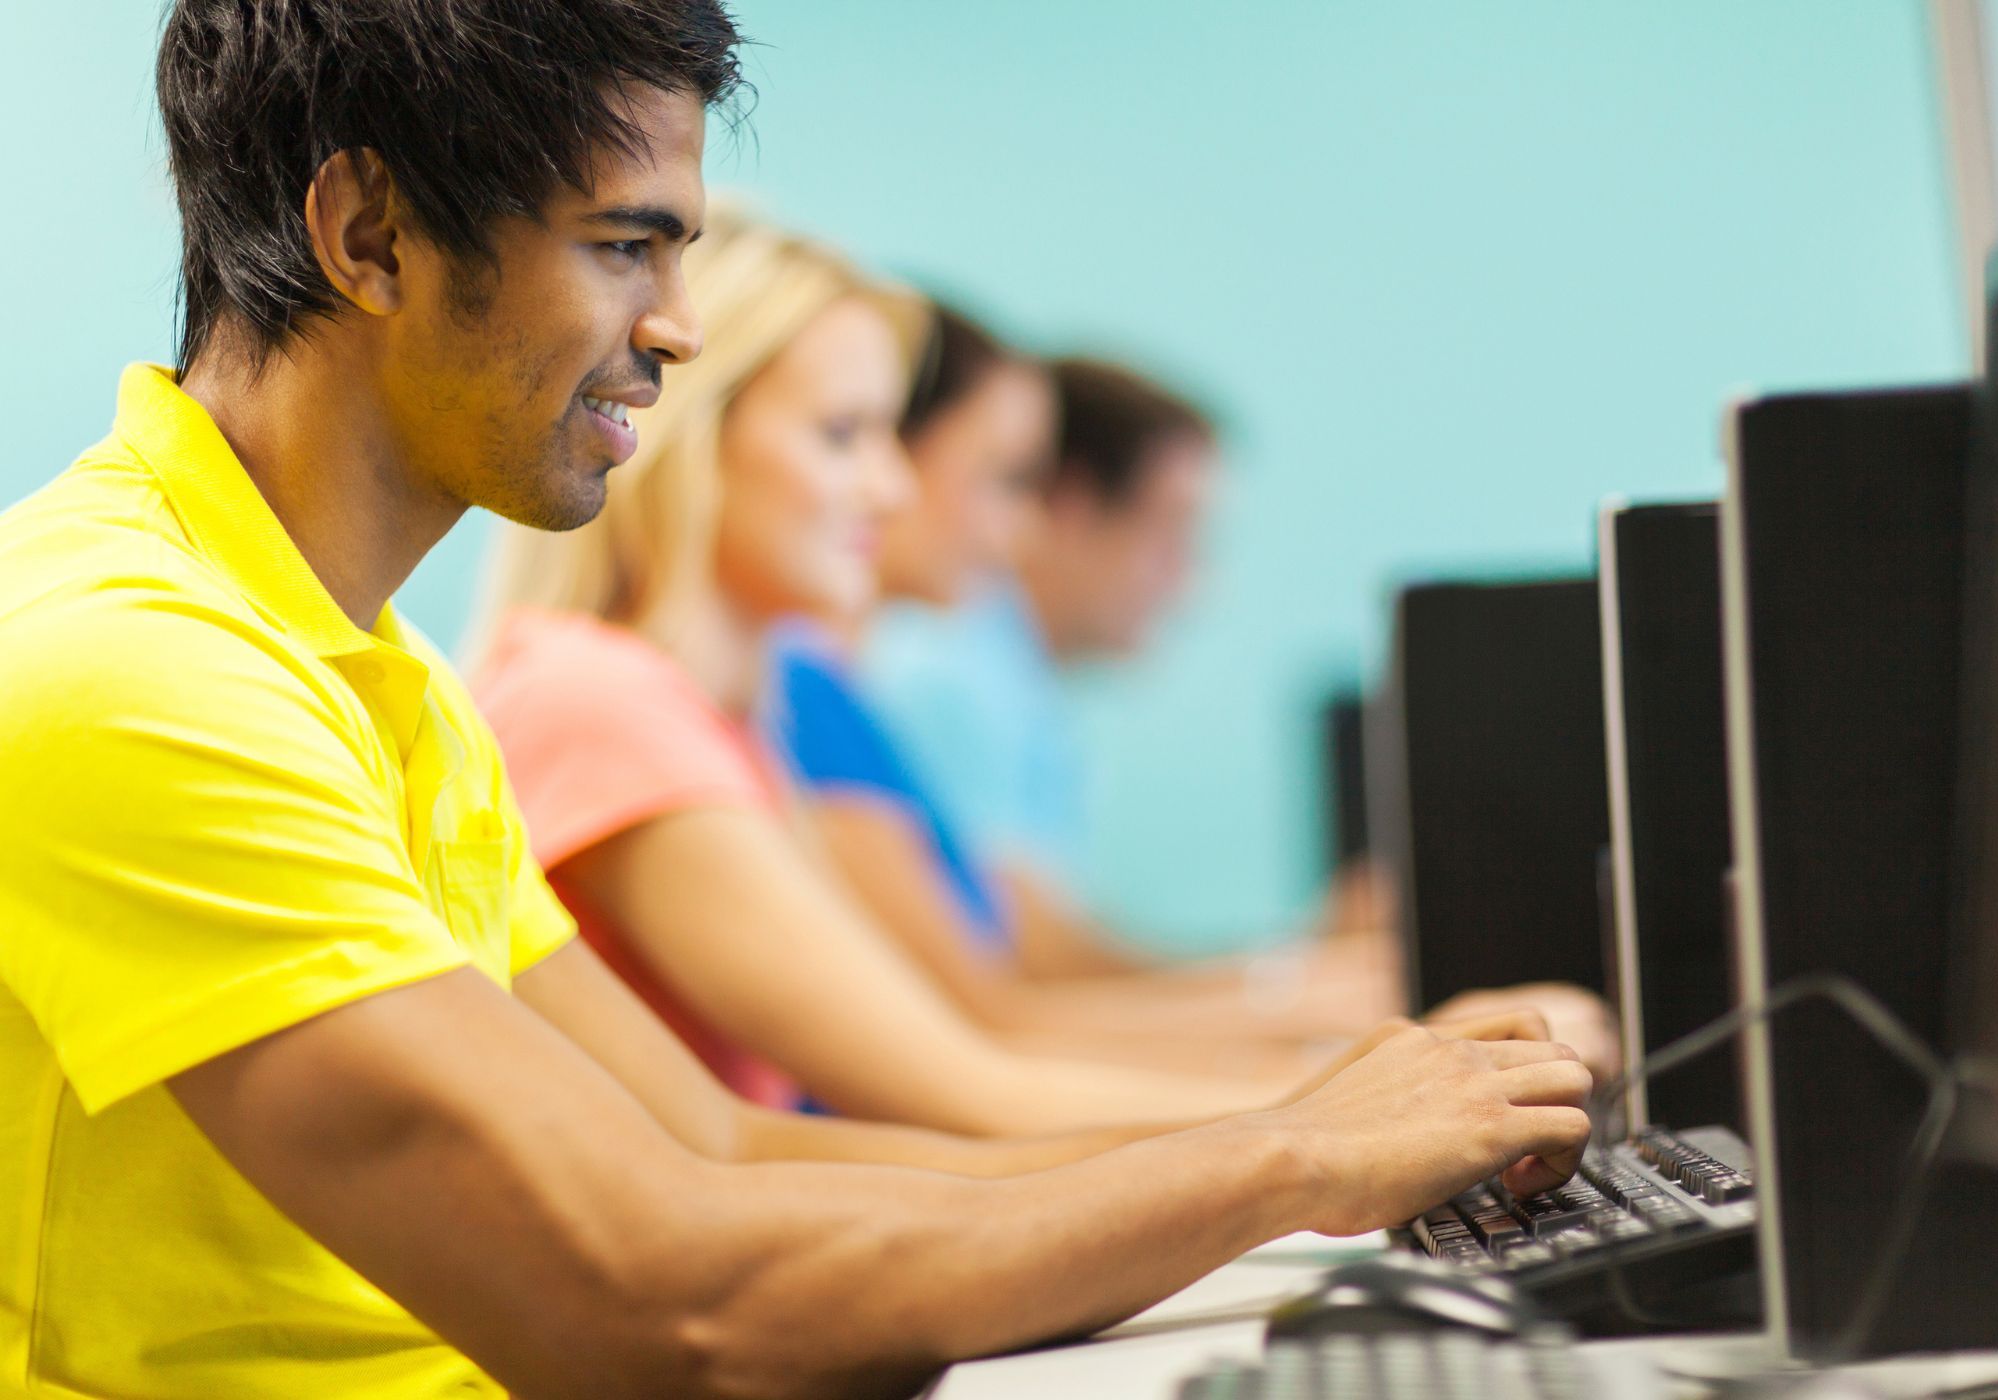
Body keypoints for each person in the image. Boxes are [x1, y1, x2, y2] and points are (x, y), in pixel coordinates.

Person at [0, 3, 1592, 1394]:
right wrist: (1293, 1158)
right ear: (369, 237)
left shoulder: (378, 675)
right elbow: (655, 1308)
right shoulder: (133, 673)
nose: (677, 328)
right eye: (626, 244)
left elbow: (720, 1149)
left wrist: (1318, 1126)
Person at [472, 209, 1397, 1124]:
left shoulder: (725, 720)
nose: (894, 488)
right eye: (842, 436)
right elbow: (972, 1085)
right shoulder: (602, 707)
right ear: (691, 437)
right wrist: (1375, 1101)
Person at [862, 356, 1622, 1068]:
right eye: (1175, 532)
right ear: (1072, 506)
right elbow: (1034, 972)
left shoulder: (1007, 682)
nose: (1194, 583)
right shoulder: (943, 669)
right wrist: (1294, 986)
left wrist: (1300, 982)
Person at [768, 306, 1394, 1052]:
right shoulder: (911, 674)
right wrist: (1302, 1001)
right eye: (1004, 481)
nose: (1021, 529)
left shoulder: (836, 685)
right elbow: (1007, 1009)